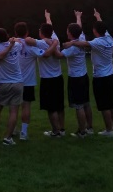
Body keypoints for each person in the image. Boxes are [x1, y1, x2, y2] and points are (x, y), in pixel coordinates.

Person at [64, 9, 113, 137]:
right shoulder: (108, 37)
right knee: (111, 102)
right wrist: (98, 16)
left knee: (104, 105)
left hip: (101, 77)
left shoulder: (98, 42)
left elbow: (83, 43)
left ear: (95, 31)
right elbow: (95, 30)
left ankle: (109, 130)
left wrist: (70, 43)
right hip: (110, 75)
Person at [53, 10, 94, 138]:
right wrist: (78, 17)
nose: (66, 32)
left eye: (67, 30)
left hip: (76, 79)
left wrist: (53, 45)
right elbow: (79, 27)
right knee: (86, 103)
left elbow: (59, 55)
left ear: (70, 33)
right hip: (84, 76)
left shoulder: (72, 48)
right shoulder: (81, 39)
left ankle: (82, 132)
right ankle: (89, 128)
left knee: (79, 106)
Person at [14, 21, 57, 141]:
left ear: (15, 33)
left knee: (14, 107)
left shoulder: (11, 45)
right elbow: (46, 54)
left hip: (14, 80)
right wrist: (54, 44)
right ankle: (23, 133)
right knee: (26, 106)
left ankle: (12, 129)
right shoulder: (31, 47)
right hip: (28, 81)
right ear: (27, 32)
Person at [26, 10, 64, 138]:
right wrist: (48, 17)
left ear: (41, 32)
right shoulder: (55, 39)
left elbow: (28, 40)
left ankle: (56, 132)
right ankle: (62, 129)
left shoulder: (41, 43)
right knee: (59, 105)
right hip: (58, 77)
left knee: (51, 107)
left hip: (47, 79)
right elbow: (50, 27)